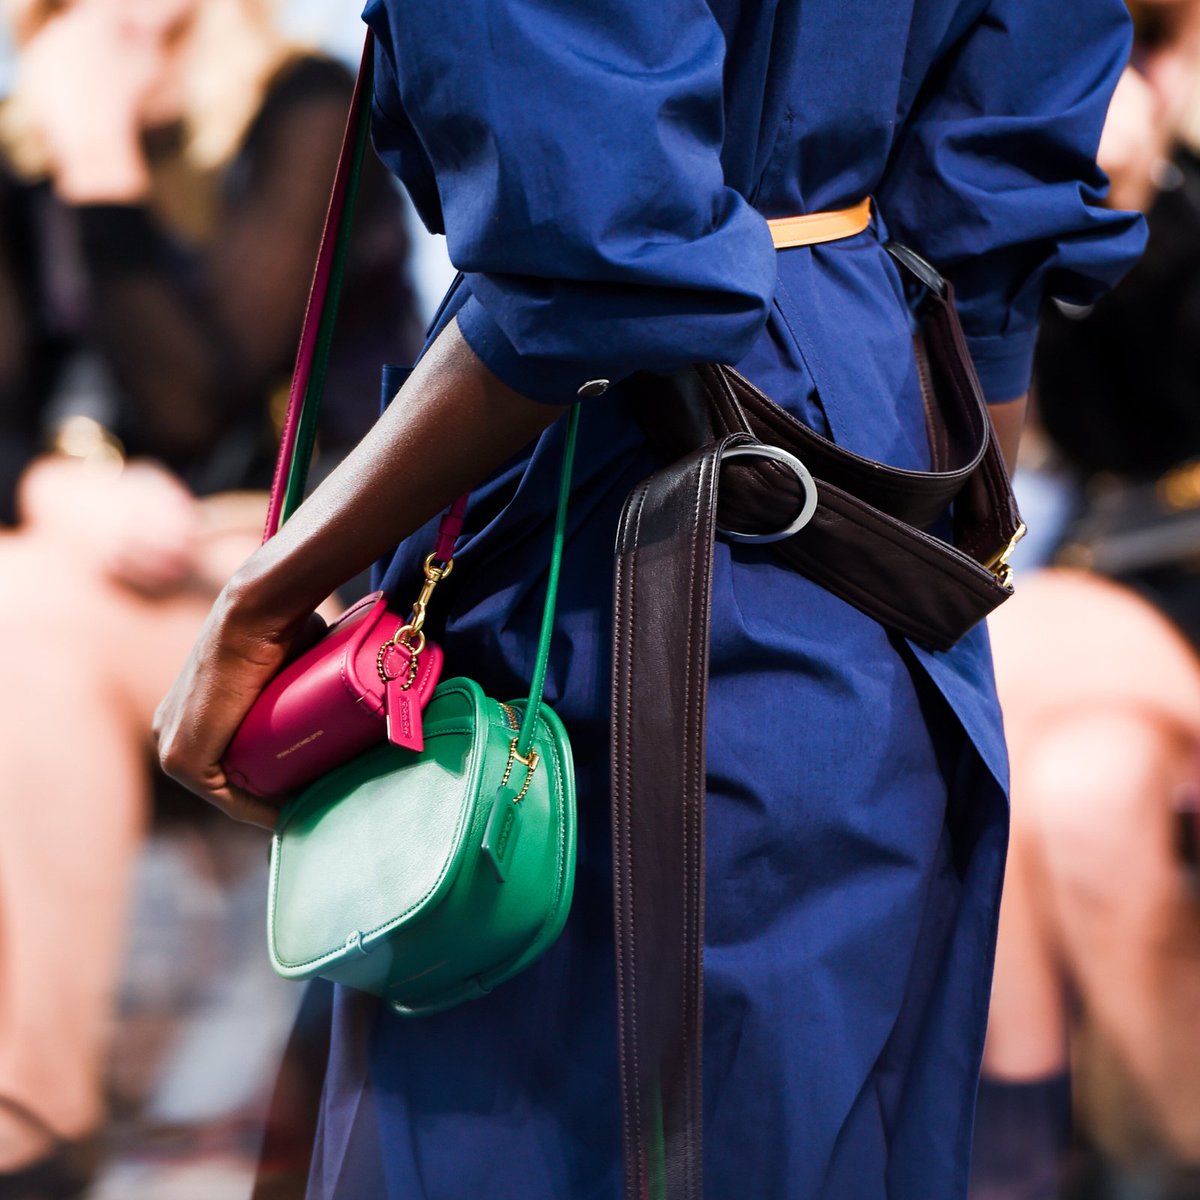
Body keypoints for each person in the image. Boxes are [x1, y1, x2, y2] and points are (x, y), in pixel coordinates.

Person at [155, 0, 1144, 1196]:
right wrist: (923, 551)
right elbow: (992, 217)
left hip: (624, 515)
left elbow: (599, 259)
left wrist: (265, 592)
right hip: (879, 470)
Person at [0, 0, 419, 1193]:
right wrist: (48, 483)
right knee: (21, 600)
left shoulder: (304, 112)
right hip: (67, 588)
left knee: (17, 615)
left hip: (283, 590)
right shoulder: (15, 148)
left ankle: (34, 1116)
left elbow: (195, 400)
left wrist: (97, 157)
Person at [973, 3, 1200, 1195]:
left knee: (990, 666)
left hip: (1163, 580)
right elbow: (1098, 424)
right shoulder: (1101, 127)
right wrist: (1103, 216)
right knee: (1078, 788)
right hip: (1129, 573)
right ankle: (1049, 1169)